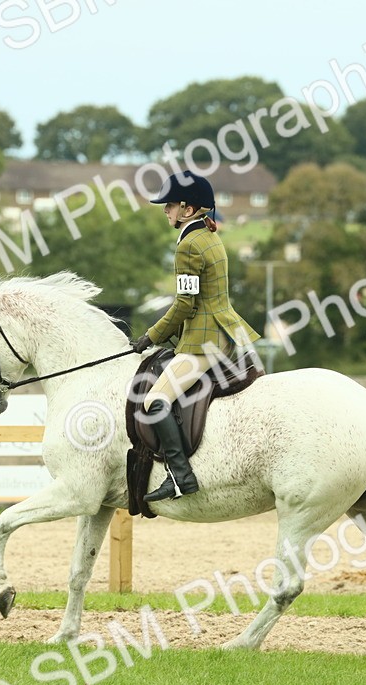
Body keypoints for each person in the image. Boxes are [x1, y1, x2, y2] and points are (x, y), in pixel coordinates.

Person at [131, 170, 261, 502]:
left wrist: (151, 335)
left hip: (203, 340)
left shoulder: (189, 246)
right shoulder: (209, 237)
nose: (166, 211)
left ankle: (180, 475)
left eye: (171, 205)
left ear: (189, 210)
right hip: (221, 332)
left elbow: (184, 305)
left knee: (154, 401)